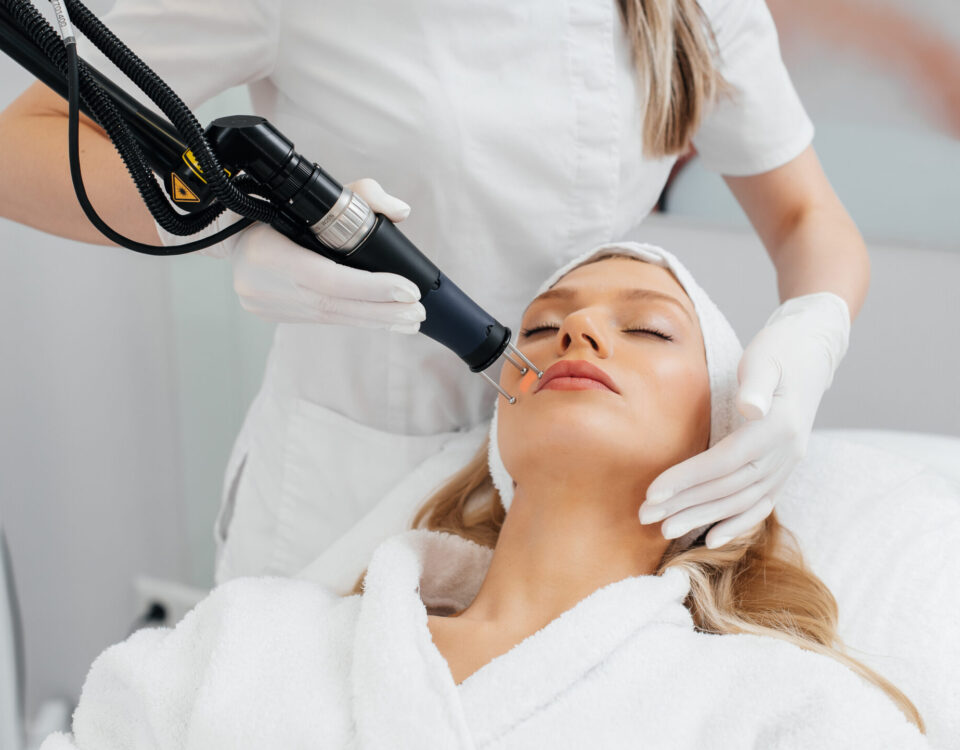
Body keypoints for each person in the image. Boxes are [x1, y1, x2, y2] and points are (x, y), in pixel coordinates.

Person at [0, 0, 864, 585]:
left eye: (648, 329)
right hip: (348, 491)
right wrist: (225, 224)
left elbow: (805, 217)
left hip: (585, 509)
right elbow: (26, 147)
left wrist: (813, 334)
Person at [38, 244, 924, 750]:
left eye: (647, 326)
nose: (575, 330)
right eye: (542, 326)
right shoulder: (252, 637)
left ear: (728, 436)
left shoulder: (789, 714)